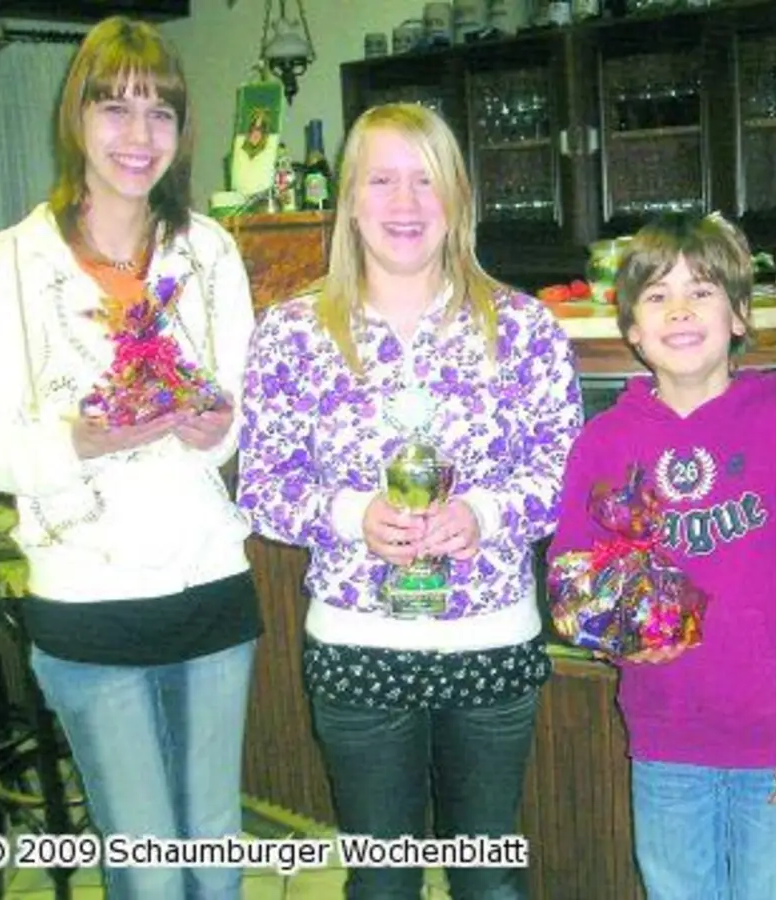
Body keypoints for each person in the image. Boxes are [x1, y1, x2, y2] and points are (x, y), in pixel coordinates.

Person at [0, 16, 261, 899]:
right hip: (89, 594)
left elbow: (238, 414)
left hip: (208, 582)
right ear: (74, 119)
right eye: (114, 108)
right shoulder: (16, 260)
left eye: (160, 113)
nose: (137, 135)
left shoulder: (210, 252)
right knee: (148, 866)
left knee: (216, 849)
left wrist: (215, 428)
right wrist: (75, 442)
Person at [236, 102, 583, 900]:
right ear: (350, 201)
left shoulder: (525, 329)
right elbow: (263, 487)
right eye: (382, 179)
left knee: (490, 879)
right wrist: (349, 514)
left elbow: (561, 476)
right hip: (357, 646)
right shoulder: (290, 334)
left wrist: (485, 515)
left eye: (426, 180)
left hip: (490, 641)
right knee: (382, 882)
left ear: (458, 199)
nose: (404, 202)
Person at [546, 212, 776, 900]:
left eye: (703, 291)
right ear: (630, 328)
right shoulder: (603, 442)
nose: (680, 310)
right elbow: (572, 574)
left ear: (740, 315)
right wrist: (616, 636)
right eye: (657, 296)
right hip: (664, 735)